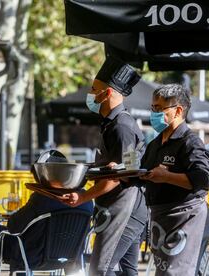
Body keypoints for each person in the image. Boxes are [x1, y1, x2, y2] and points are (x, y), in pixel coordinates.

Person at [61, 56, 148, 276]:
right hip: (125, 208)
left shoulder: (122, 127)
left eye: (94, 89)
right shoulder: (113, 124)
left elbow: (119, 175)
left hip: (124, 210)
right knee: (128, 271)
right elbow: (127, 165)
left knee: (101, 268)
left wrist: (82, 197)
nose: (90, 94)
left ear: (107, 93)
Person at [139, 84, 209, 276]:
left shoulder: (190, 142)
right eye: (153, 108)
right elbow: (144, 173)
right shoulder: (155, 144)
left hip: (186, 220)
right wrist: (124, 172)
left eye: (159, 108)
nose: (154, 113)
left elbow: (203, 180)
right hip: (160, 220)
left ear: (178, 110)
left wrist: (167, 176)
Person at [0, 192, 94, 272]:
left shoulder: (42, 197)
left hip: (32, 258)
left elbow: (14, 227)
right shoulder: (87, 201)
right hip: (71, 258)